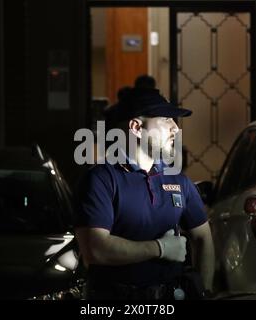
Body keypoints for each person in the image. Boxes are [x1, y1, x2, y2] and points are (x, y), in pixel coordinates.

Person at [74, 87, 214, 300]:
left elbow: (203, 237)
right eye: (166, 119)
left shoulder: (177, 179)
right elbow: (94, 249)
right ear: (136, 127)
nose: (175, 128)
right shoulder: (102, 179)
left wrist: (204, 292)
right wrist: (159, 248)